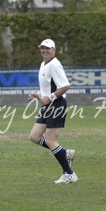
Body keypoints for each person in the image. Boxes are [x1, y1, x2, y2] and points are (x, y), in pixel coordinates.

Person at [28, 39, 78, 184]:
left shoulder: (55, 65)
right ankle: (64, 153)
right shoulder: (44, 64)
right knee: (34, 137)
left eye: (48, 48)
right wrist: (37, 94)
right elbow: (47, 87)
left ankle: (69, 174)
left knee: (51, 140)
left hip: (57, 105)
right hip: (48, 106)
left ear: (54, 50)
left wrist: (50, 98)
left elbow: (65, 86)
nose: (44, 51)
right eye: (43, 48)